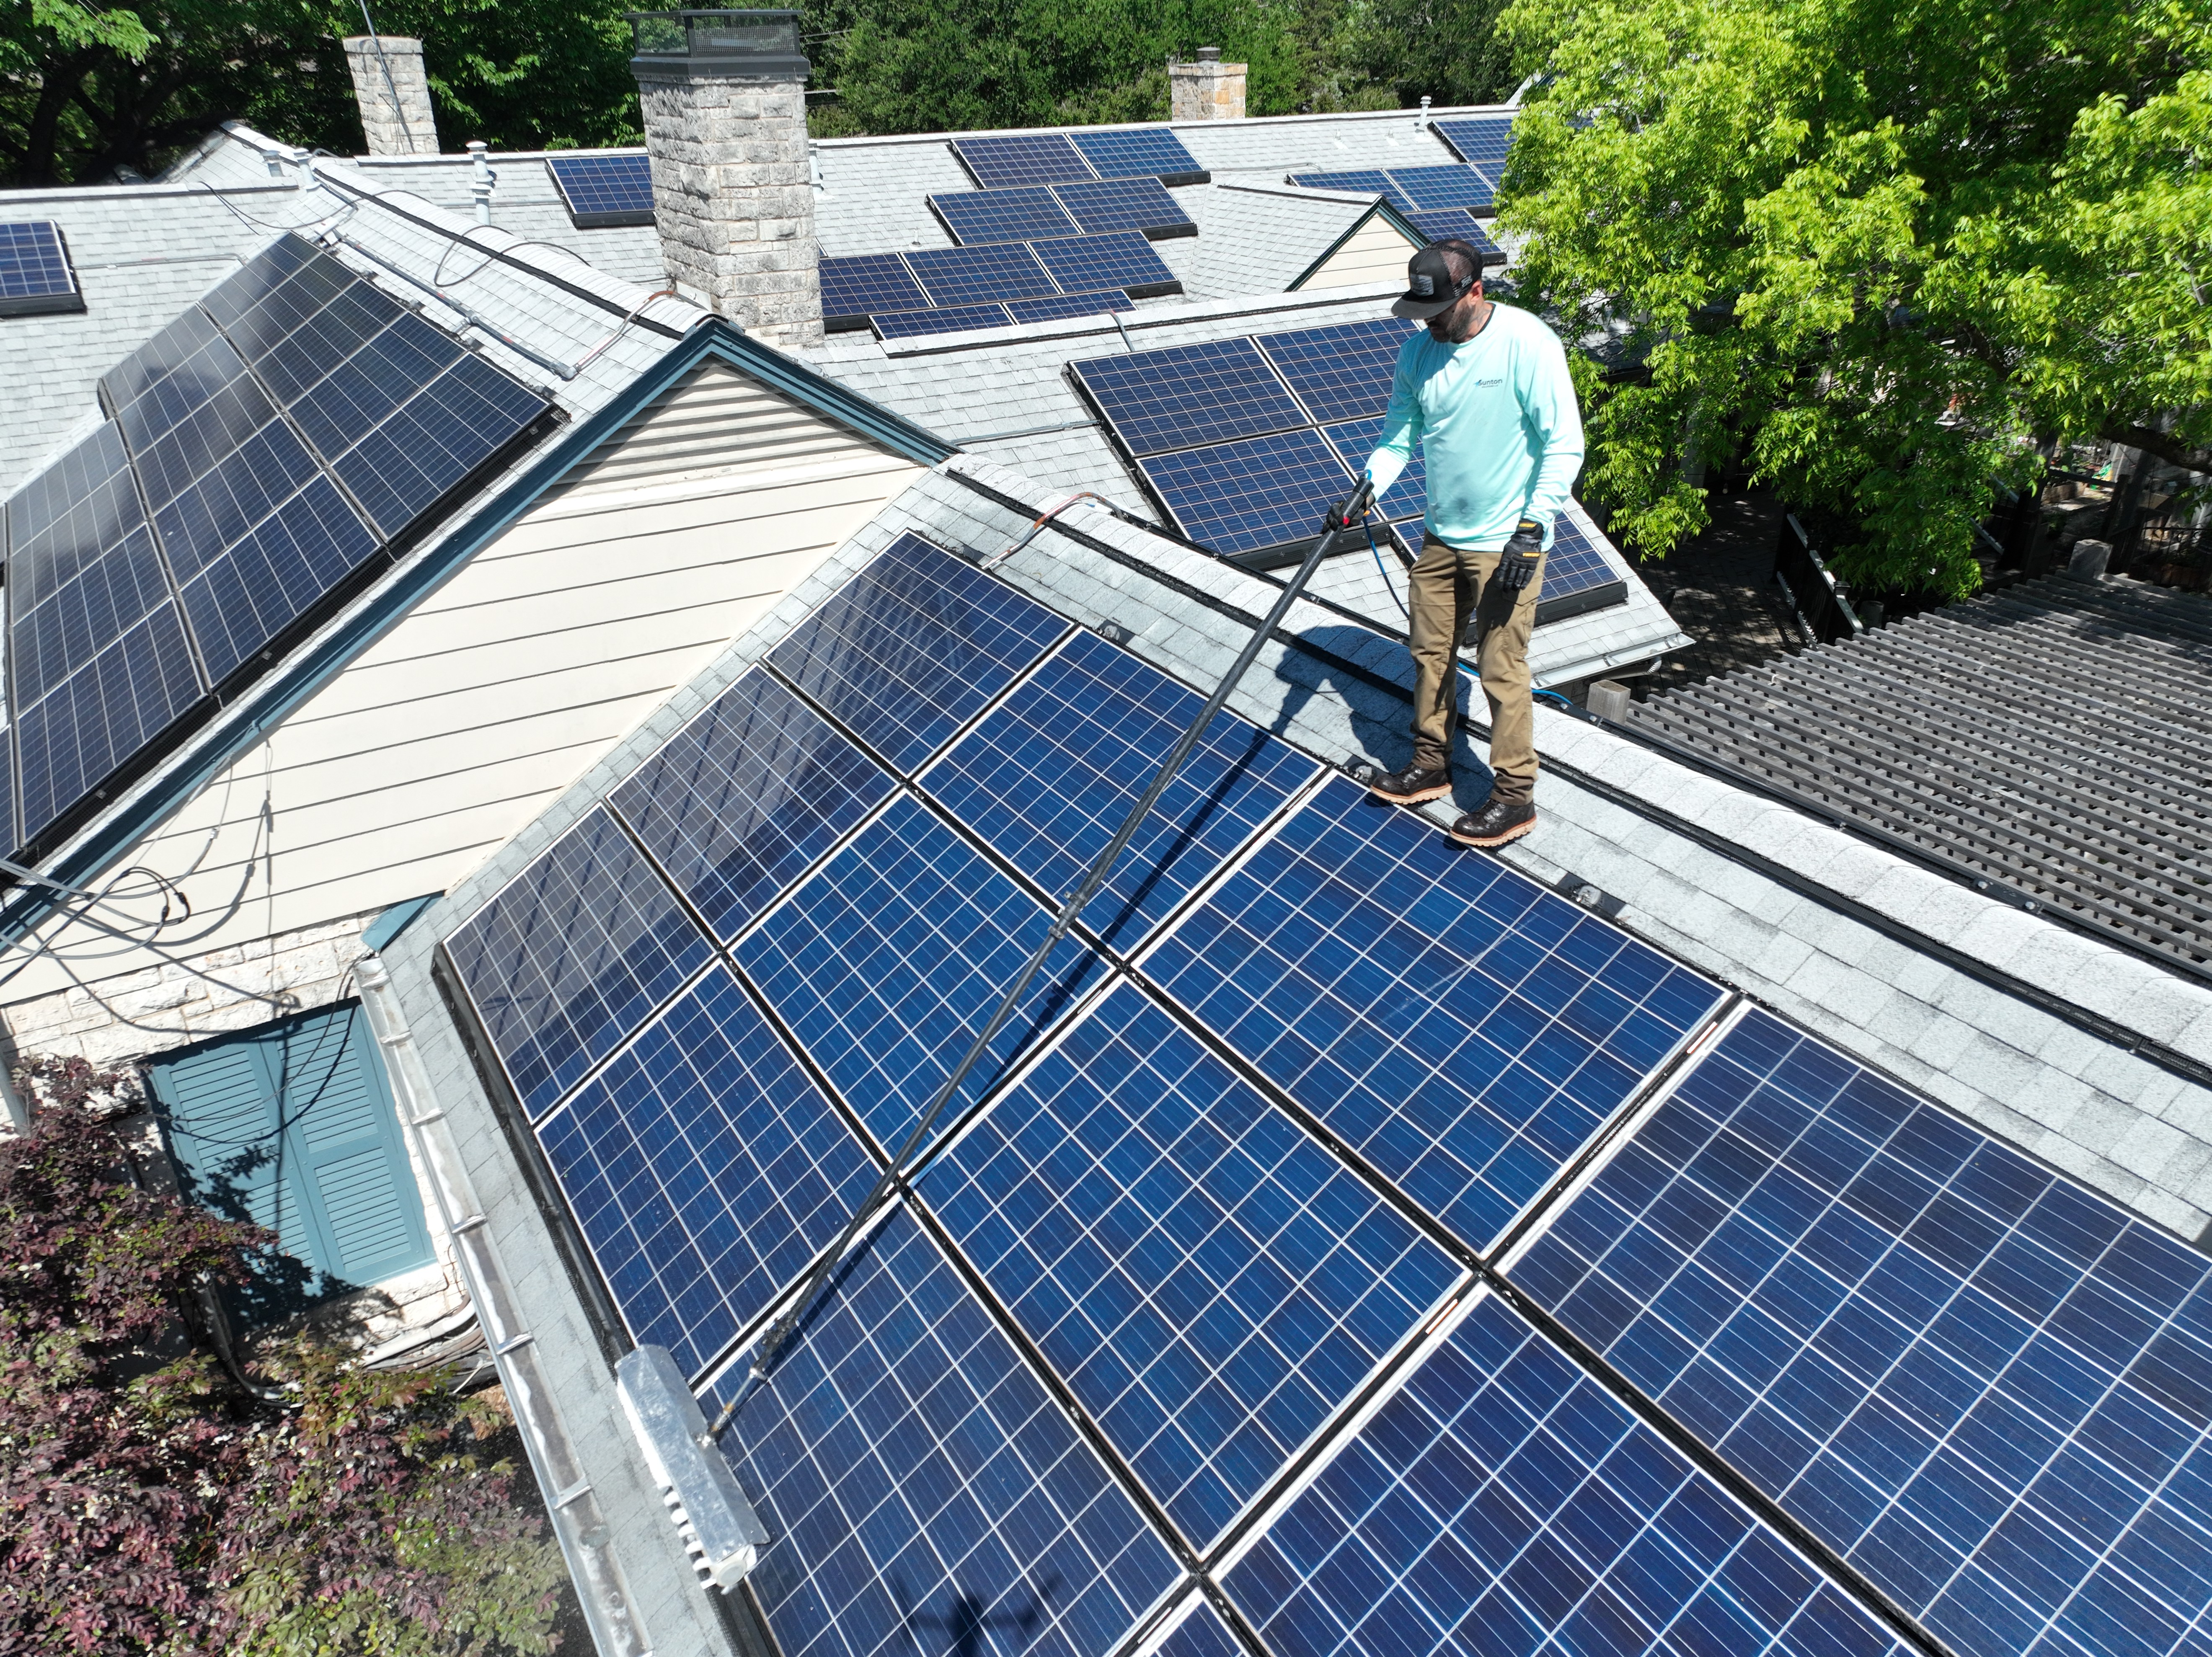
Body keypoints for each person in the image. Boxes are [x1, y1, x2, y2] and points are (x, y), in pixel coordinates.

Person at [1349, 240, 1585, 848]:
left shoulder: (1528, 344)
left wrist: (1532, 528)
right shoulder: (1418, 355)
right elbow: (1399, 438)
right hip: (1441, 539)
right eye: (1422, 313)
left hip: (1509, 543)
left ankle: (1514, 798)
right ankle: (1431, 764)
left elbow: (1563, 444)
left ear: (1475, 292)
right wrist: (1366, 487)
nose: (1429, 323)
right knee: (1429, 654)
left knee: (1503, 668)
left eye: (1440, 311)